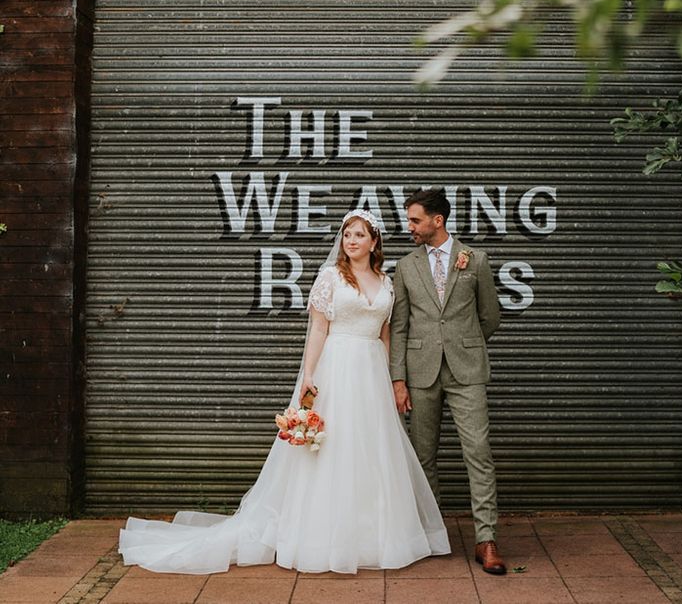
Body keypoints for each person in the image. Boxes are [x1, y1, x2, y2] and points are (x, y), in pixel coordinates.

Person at [118, 210, 450, 575]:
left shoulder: (387, 283)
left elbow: (386, 335)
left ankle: (371, 535)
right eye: (346, 235)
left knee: (372, 448)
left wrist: (393, 379)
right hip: (336, 367)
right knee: (332, 449)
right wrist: (308, 374)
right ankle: (322, 535)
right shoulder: (330, 278)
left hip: (371, 370)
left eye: (358, 235)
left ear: (374, 242)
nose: (351, 241)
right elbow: (319, 330)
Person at [390, 188, 506, 575]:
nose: (410, 227)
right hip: (421, 373)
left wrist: (464, 344)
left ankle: (486, 540)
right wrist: (398, 379)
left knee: (479, 452)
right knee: (424, 457)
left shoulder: (476, 259)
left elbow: (490, 316)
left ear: (437, 221)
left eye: (415, 220)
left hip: (466, 371)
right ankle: (432, 534)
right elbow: (401, 327)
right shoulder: (406, 266)